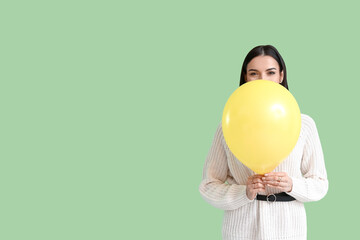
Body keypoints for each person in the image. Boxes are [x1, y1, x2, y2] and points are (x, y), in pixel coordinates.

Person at [199, 45, 328, 240]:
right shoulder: (228, 124)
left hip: (289, 228)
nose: (263, 80)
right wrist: (244, 192)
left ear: (281, 76)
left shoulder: (304, 124)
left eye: (270, 72)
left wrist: (292, 184)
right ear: (245, 77)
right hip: (240, 229)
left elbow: (320, 184)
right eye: (254, 73)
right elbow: (208, 186)